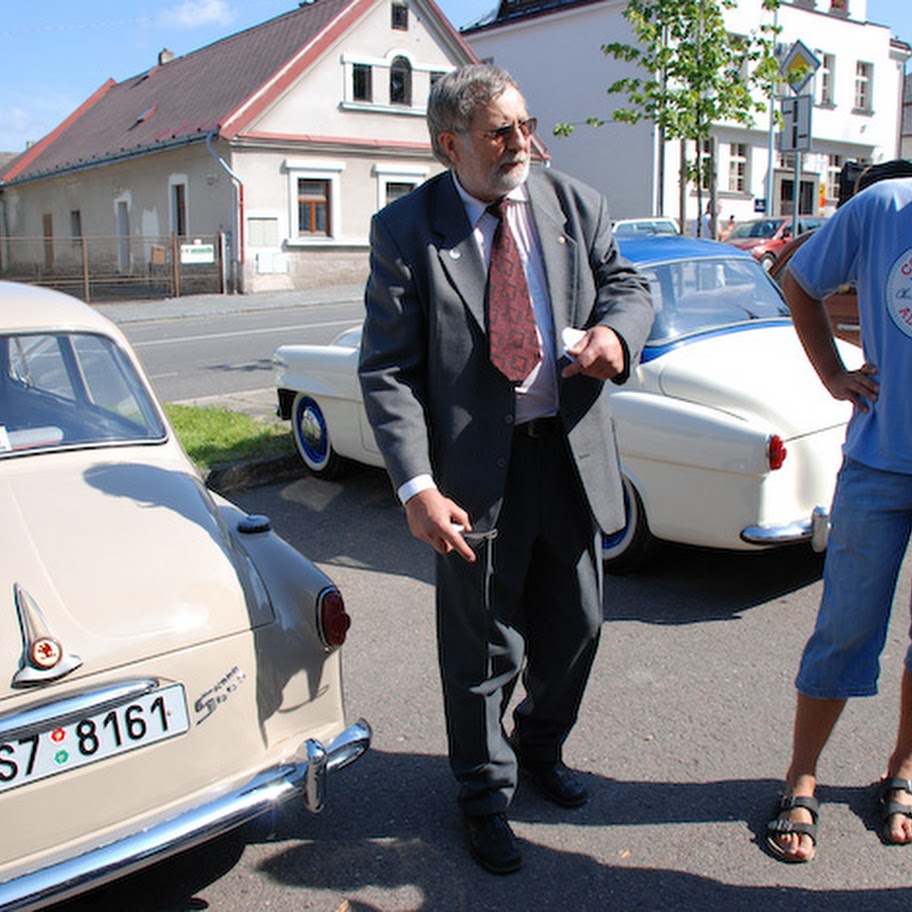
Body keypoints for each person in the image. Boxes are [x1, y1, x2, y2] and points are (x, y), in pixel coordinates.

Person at [358, 63, 653, 875]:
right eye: (502, 133)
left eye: (526, 125)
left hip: (567, 454)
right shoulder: (405, 230)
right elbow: (386, 371)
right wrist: (416, 487)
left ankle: (539, 746)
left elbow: (627, 283)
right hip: (472, 477)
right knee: (482, 650)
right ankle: (485, 797)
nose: (525, 144)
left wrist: (617, 337)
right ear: (451, 145)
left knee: (579, 629)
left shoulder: (571, 203)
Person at [766, 167, 912, 863]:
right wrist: (831, 371)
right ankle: (802, 774)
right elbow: (799, 279)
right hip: (881, 463)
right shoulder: (884, 207)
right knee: (846, 627)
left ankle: (904, 770)